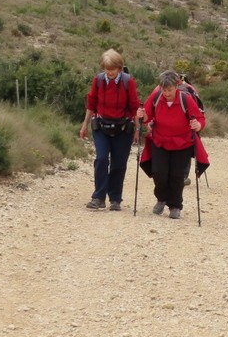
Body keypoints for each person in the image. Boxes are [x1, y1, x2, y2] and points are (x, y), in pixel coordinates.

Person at [135, 70, 206, 220]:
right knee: (159, 172)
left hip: (182, 143)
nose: (166, 93)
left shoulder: (185, 99)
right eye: (164, 90)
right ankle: (161, 199)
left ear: (176, 86)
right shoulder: (156, 97)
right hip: (160, 140)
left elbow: (200, 118)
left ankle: (175, 206)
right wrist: (142, 115)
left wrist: (197, 125)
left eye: (169, 90)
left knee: (177, 176)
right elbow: (147, 115)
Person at [79, 49, 140, 211]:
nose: (110, 72)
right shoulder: (98, 81)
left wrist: (137, 129)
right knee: (101, 159)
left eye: (113, 69)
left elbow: (134, 106)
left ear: (119, 68)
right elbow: (91, 103)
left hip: (123, 127)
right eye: (107, 69)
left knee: (118, 164)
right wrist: (85, 124)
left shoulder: (128, 82)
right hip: (101, 125)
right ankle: (98, 197)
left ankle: (115, 199)